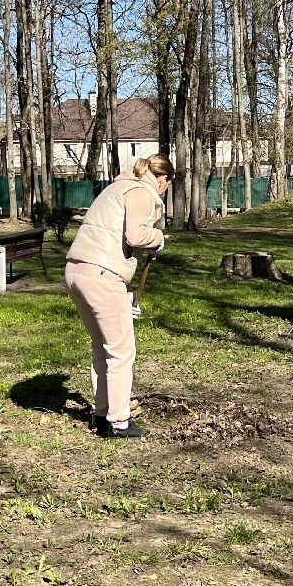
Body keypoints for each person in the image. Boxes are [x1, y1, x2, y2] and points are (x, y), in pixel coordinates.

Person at [64, 154, 171, 439]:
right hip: (102, 274)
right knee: (122, 351)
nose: (165, 190)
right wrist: (159, 239)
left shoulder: (115, 187)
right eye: (167, 185)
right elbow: (135, 236)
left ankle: (101, 415)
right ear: (162, 179)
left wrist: (123, 296)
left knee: (102, 346)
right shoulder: (142, 192)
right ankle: (119, 422)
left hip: (77, 271)